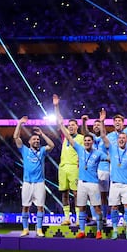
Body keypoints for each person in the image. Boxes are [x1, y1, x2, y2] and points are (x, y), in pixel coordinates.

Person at [58, 114, 107, 239]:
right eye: (85, 141)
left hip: (94, 184)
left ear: (92, 142)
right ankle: (81, 231)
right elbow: (68, 137)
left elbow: (110, 159)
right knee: (82, 207)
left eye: (89, 141)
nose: (86, 142)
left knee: (97, 208)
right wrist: (61, 125)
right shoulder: (79, 149)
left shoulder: (98, 153)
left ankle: (99, 231)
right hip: (81, 183)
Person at [100, 109, 127, 240]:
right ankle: (115, 230)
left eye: (123, 138)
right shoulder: (112, 148)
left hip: (126, 184)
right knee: (114, 207)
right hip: (115, 184)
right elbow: (104, 136)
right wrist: (102, 121)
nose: (121, 140)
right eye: (120, 138)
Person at [14, 116, 55, 237]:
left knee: (40, 207)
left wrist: (42, 134)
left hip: (39, 183)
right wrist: (20, 123)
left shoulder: (42, 151)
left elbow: (51, 145)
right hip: (27, 183)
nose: (37, 141)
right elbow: (16, 137)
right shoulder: (24, 150)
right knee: (25, 207)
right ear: (29, 142)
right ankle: (25, 229)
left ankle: (39, 229)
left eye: (38, 139)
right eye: (34, 139)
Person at [53, 94, 84, 226]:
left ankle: (78, 217)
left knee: (76, 193)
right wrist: (56, 106)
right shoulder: (64, 136)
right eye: (69, 125)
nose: (70, 127)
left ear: (77, 127)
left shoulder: (82, 138)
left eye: (73, 125)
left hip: (74, 167)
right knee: (64, 193)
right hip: (63, 167)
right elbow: (59, 121)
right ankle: (67, 217)